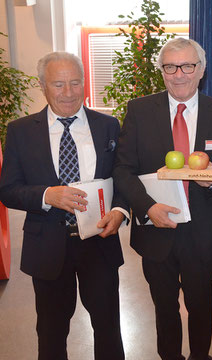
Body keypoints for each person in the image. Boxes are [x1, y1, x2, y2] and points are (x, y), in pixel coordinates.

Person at [0, 52, 127, 360]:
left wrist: (120, 212)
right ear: (43, 86)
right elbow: (8, 190)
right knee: (52, 332)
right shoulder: (20, 131)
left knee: (108, 327)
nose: (68, 92)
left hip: (99, 242)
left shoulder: (108, 126)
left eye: (75, 82)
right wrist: (47, 196)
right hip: (47, 247)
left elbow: (123, 178)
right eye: (58, 84)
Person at [113, 38, 212, 360]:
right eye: (170, 67)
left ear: (201, 70)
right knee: (163, 306)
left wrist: (209, 183)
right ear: (162, 71)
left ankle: (200, 356)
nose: (179, 74)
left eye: (187, 66)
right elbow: (123, 169)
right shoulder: (139, 111)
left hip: (202, 231)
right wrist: (147, 207)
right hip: (155, 229)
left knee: (201, 305)